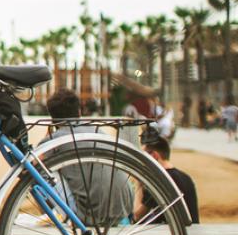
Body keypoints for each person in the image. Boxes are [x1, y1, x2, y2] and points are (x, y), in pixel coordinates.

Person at [43, 89, 134, 227]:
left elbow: (30, 168)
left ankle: (63, 218)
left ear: (52, 117)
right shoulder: (98, 131)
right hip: (124, 209)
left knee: (40, 170)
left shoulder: (53, 141)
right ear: (79, 111)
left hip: (88, 216)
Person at [137, 132, 199, 224]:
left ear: (154, 156)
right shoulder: (186, 177)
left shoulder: (158, 181)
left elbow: (137, 215)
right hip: (189, 232)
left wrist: (140, 182)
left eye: (144, 157)